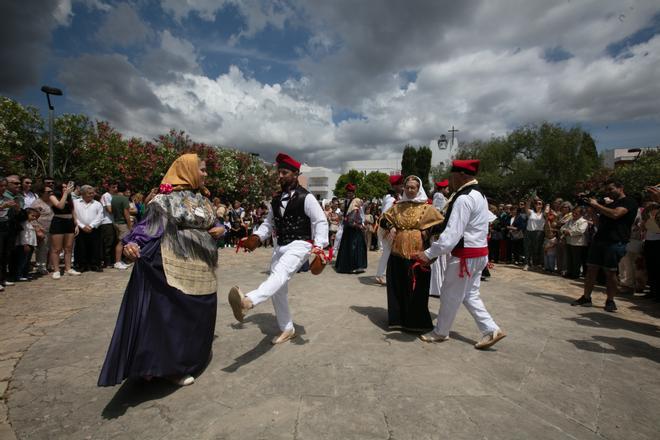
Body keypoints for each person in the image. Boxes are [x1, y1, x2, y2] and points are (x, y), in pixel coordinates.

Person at [99, 153, 223, 387]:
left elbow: (212, 222)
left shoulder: (203, 199)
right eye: (203, 170)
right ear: (187, 171)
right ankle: (170, 367)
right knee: (175, 314)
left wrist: (220, 228)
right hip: (174, 264)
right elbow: (148, 228)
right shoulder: (165, 200)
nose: (206, 174)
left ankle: (192, 358)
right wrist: (132, 244)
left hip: (203, 268)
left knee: (201, 312)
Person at [227, 153, 328, 344]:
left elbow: (320, 221)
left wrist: (318, 246)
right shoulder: (275, 201)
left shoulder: (307, 198)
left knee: (279, 275)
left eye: (284, 172)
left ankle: (248, 301)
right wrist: (256, 237)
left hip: (301, 244)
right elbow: (268, 224)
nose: (280, 176)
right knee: (278, 289)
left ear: (295, 173)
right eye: (279, 172)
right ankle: (287, 328)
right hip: (280, 245)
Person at [414, 159, 506, 349]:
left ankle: (440, 332)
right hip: (479, 253)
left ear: (462, 175)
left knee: (449, 294)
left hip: (465, 256)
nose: (451, 179)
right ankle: (491, 329)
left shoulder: (464, 198)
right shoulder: (479, 195)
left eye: (453, 175)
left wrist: (429, 253)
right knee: (470, 294)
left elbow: (451, 235)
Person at [379, 176, 444, 331]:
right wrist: (391, 226)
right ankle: (398, 320)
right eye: (407, 187)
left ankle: (416, 322)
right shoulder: (397, 207)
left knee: (417, 288)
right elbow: (383, 219)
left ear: (418, 188)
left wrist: (427, 232)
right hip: (397, 252)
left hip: (417, 254)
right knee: (398, 286)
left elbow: (441, 223)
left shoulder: (427, 207)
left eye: (412, 187)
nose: (409, 190)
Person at [571, 179, 638, 312]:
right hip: (600, 240)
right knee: (591, 269)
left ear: (620, 188)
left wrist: (597, 205)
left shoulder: (629, 202)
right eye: (607, 190)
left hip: (615, 242)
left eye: (611, 189)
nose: (608, 192)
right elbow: (598, 223)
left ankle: (610, 300)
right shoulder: (610, 204)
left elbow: (615, 214)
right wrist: (592, 210)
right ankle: (586, 297)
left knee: (610, 272)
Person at [374, 175, 404, 284]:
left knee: (388, 252)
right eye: (400, 184)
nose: (402, 186)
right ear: (395, 186)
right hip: (388, 229)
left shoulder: (396, 197)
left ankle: (382, 274)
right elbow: (385, 215)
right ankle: (380, 275)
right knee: (387, 251)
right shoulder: (390, 199)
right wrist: (389, 228)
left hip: (391, 229)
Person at [48, 181, 80, 279]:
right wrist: (65, 194)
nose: (66, 188)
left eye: (67, 187)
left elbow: (72, 210)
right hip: (58, 221)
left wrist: (76, 224)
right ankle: (56, 270)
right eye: (63, 187)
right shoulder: (52, 196)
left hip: (69, 221)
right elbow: (60, 206)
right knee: (57, 248)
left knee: (68, 247)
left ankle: (68, 268)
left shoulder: (70, 198)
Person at [335, 183, 368, 274]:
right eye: (348, 192)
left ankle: (357, 266)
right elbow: (345, 214)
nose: (349, 193)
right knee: (348, 246)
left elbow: (360, 213)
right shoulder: (345, 201)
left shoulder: (357, 200)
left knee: (357, 247)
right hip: (348, 226)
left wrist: (361, 223)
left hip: (355, 227)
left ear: (354, 192)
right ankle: (347, 266)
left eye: (351, 192)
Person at [73, 185, 104, 272]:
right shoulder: (75, 202)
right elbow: (74, 216)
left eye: (92, 193)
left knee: (95, 247)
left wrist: (91, 226)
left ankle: (95, 264)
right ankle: (81, 265)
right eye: (89, 193)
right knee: (80, 247)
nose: (92, 195)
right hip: (80, 228)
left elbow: (100, 216)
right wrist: (82, 226)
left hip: (94, 228)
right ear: (82, 193)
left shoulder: (97, 204)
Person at [30, 184, 54, 275]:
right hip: (41, 228)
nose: (51, 193)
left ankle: (49, 265)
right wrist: (37, 229)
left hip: (52, 228)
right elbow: (32, 217)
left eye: (51, 191)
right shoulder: (36, 203)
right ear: (42, 193)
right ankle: (41, 266)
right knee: (42, 249)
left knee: (51, 248)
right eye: (48, 192)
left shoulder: (52, 202)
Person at [561, 206, 589, 279]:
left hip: (578, 244)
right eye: (573, 212)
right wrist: (564, 231)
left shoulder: (583, 221)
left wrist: (569, 232)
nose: (574, 214)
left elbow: (580, 231)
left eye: (576, 213)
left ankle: (575, 274)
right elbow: (562, 227)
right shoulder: (570, 220)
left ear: (581, 214)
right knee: (569, 258)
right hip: (569, 241)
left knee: (576, 260)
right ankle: (569, 272)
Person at [111, 183, 133, 270]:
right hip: (123, 223)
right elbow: (126, 214)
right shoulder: (124, 199)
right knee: (121, 242)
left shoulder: (113, 198)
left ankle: (120, 261)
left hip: (115, 222)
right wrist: (130, 226)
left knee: (119, 241)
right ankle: (117, 262)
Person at [13, 208, 39, 281]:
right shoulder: (24, 224)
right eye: (32, 216)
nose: (34, 218)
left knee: (27, 261)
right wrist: (25, 244)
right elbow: (23, 235)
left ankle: (25, 274)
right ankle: (19, 275)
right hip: (24, 245)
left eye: (35, 216)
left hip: (30, 244)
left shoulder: (30, 223)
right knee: (22, 261)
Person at [523, 199, 545, 270]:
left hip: (539, 233)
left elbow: (547, 210)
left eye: (539, 204)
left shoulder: (544, 213)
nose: (538, 205)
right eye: (536, 204)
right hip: (529, 232)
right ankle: (526, 264)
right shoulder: (531, 212)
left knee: (536, 249)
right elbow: (526, 208)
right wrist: (530, 200)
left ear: (542, 205)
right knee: (527, 248)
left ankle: (535, 264)